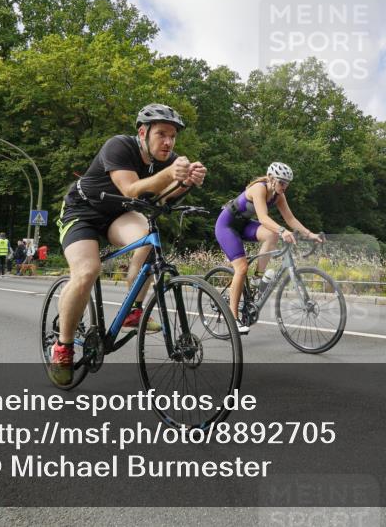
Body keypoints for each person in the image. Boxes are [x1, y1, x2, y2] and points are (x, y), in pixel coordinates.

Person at [50, 103, 206, 386]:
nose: (168, 142)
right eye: (161, 134)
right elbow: (131, 189)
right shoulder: (119, 146)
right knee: (87, 271)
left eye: (173, 136)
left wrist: (186, 183)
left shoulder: (166, 161)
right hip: (82, 212)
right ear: (143, 133)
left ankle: (133, 310)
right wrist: (171, 174)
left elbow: (161, 198)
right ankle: (63, 347)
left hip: (117, 215)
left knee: (148, 237)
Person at [215, 162, 322, 334]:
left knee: (272, 235)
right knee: (241, 268)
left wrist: (310, 234)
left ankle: (257, 278)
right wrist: (282, 231)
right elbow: (263, 218)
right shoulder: (259, 188)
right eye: (282, 182)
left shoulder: (279, 195)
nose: (284, 187)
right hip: (226, 226)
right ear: (271, 178)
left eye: (287, 184)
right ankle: (233, 319)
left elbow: (290, 219)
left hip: (244, 225)